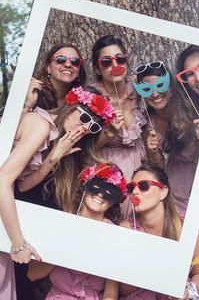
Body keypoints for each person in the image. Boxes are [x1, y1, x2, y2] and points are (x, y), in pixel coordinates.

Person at [133, 55, 199, 300]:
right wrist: (154, 153)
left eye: (160, 86)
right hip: (172, 189)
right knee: (177, 252)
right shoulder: (148, 120)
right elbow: (158, 167)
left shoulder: (193, 107)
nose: (155, 94)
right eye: (147, 89)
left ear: (171, 84)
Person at [0, 86, 116, 300]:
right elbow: (2, 182)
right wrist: (18, 245)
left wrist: (53, 158)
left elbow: (23, 186)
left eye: (92, 126)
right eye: (83, 117)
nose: (84, 128)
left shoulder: (63, 145)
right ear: (70, 107)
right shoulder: (41, 125)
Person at [27, 163, 127, 300]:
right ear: (85, 186)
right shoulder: (62, 223)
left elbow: (110, 294)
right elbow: (33, 274)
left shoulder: (114, 235)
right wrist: (66, 245)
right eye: (96, 186)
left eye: (109, 192)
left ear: (114, 202)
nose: (100, 194)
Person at [120, 165, 199, 300]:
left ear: (163, 192)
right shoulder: (125, 230)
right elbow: (123, 290)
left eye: (144, 186)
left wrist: (188, 290)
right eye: (131, 187)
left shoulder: (187, 231)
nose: (134, 192)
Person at [91, 35, 147, 217]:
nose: (115, 65)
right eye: (106, 62)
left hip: (139, 168)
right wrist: (110, 132)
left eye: (120, 59)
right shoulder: (91, 98)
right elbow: (85, 148)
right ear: (97, 69)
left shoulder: (140, 90)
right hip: (106, 169)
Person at [23, 42, 86, 112]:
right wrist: (28, 104)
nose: (68, 65)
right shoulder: (33, 92)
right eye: (61, 59)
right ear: (49, 68)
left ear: (79, 71)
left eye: (75, 61)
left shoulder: (82, 100)